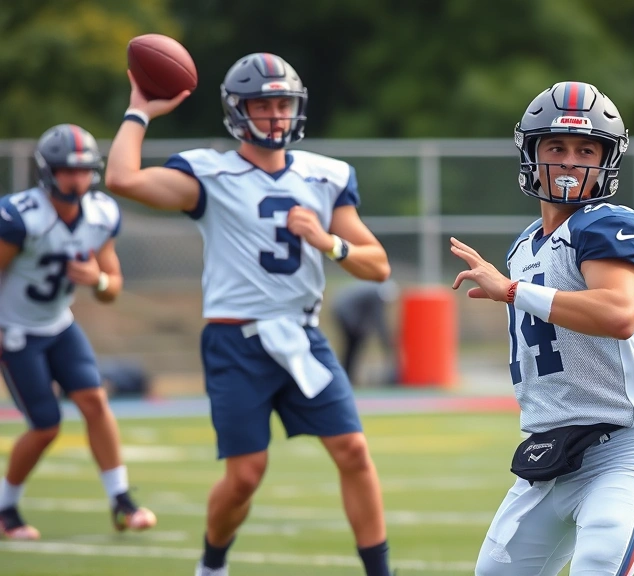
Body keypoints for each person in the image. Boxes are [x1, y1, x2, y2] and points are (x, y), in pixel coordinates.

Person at [104, 53, 394, 576]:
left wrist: (329, 242)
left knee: (353, 449)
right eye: (264, 105)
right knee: (244, 477)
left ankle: (380, 572)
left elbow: (377, 264)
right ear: (238, 112)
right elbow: (121, 179)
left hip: (302, 335)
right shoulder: (209, 173)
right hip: (236, 340)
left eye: (283, 104)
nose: (276, 116)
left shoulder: (326, 177)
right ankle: (212, 565)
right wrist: (139, 111)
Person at [451, 81, 634, 575]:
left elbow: (618, 314)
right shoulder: (526, 244)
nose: (570, 160)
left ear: (605, 160)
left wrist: (511, 291)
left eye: (585, 149)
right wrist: (512, 288)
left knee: (598, 565)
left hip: (621, 449)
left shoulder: (611, 223)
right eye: (556, 146)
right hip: (549, 454)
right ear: (531, 152)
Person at [0, 124, 156, 539]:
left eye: (84, 170)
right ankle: (6, 508)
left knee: (95, 400)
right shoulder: (20, 218)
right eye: (68, 170)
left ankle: (121, 501)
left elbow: (113, 287)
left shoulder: (102, 214)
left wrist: (97, 280)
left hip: (59, 323)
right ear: (48, 172)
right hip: (14, 330)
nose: (77, 178)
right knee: (46, 424)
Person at [330, 280, 398, 386]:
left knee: (354, 345)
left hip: (342, 309)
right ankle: (346, 377)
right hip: (345, 313)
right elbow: (378, 320)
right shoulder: (375, 296)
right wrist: (386, 341)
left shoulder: (372, 291)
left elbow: (369, 317)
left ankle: (346, 376)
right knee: (353, 344)